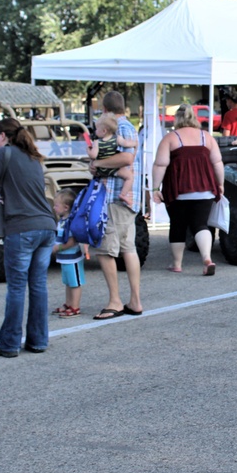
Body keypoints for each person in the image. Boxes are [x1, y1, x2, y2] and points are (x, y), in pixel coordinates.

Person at [0, 118, 57, 357]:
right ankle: (38, 341)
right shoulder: (33, 157)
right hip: (47, 227)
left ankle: (9, 344)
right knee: (38, 285)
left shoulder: (4, 154)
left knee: (17, 287)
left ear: (4, 136)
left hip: (22, 228)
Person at [151, 103, 226, 275]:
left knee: (178, 225)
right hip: (205, 188)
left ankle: (177, 264)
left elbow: (160, 164)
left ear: (177, 119)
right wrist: (220, 184)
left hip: (179, 189)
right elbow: (217, 162)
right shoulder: (206, 137)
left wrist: (155, 187)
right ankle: (207, 259)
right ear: (195, 118)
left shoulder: (171, 138)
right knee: (200, 224)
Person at [90, 91, 143, 320]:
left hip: (114, 198)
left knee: (105, 250)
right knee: (127, 248)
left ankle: (115, 301)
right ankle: (134, 301)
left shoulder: (118, 127)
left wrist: (97, 163)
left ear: (105, 108)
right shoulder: (128, 126)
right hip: (126, 198)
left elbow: (126, 159)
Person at [89, 113, 137, 208]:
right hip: (113, 168)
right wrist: (135, 143)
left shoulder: (97, 142)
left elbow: (93, 155)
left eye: (97, 129)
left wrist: (88, 150)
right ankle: (123, 194)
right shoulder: (117, 139)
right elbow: (126, 144)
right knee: (129, 177)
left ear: (104, 131)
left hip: (101, 170)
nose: (95, 131)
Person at [52, 188, 85, 317]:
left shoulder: (70, 223)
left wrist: (58, 248)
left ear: (66, 207)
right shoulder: (61, 221)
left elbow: (71, 241)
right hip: (65, 259)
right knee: (68, 282)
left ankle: (75, 307)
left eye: (56, 205)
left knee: (75, 282)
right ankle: (68, 304)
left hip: (72, 259)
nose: (54, 208)